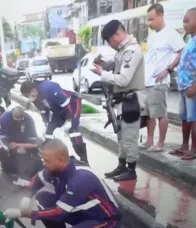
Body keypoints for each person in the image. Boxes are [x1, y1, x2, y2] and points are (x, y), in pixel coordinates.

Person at [3, 139, 121, 228]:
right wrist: (27, 195)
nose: (44, 164)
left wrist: (22, 213)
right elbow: (38, 178)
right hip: (86, 212)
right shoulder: (57, 168)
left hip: (107, 221)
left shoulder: (80, 178)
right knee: (42, 200)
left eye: (47, 161)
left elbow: (58, 213)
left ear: (61, 160)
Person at [91, 20, 145, 181]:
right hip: (123, 101)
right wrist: (102, 65)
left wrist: (102, 73)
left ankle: (131, 169)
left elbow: (123, 80)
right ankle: (122, 165)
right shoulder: (122, 51)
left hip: (132, 101)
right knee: (122, 136)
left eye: (109, 40)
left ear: (117, 34)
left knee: (129, 136)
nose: (110, 44)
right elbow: (115, 66)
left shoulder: (131, 51)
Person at [144, 3, 185, 152]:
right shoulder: (153, 34)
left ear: (161, 15)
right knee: (150, 113)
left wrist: (168, 69)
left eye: (152, 19)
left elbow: (182, 51)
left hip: (159, 82)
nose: (149, 23)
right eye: (148, 19)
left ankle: (160, 143)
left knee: (161, 113)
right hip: (148, 80)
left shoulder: (171, 34)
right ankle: (149, 141)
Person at [20, 80, 88, 164]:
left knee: (73, 131)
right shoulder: (35, 98)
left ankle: (84, 159)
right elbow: (44, 111)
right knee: (49, 132)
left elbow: (67, 105)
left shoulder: (48, 88)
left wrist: (70, 121)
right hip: (58, 109)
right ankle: (50, 156)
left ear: (33, 90)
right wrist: (47, 124)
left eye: (28, 95)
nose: (29, 98)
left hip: (72, 103)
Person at [170, 8, 196, 160]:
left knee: (194, 119)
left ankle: (194, 149)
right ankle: (184, 146)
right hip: (183, 86)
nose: (184, 24)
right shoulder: (189, 39)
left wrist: (194, 86)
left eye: (188, 20)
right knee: (185, 118)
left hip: (192, 86)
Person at [0, 106, 43, 186]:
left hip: (25, 143)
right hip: (11, 143)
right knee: (5, 159)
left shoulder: (29, 119)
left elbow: (33, 140)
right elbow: (3, 136)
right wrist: (9, 145)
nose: (19, 122)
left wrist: (23, 146)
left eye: (21, 120)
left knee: (34, 155)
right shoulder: (5, 118)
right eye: (17, 120)